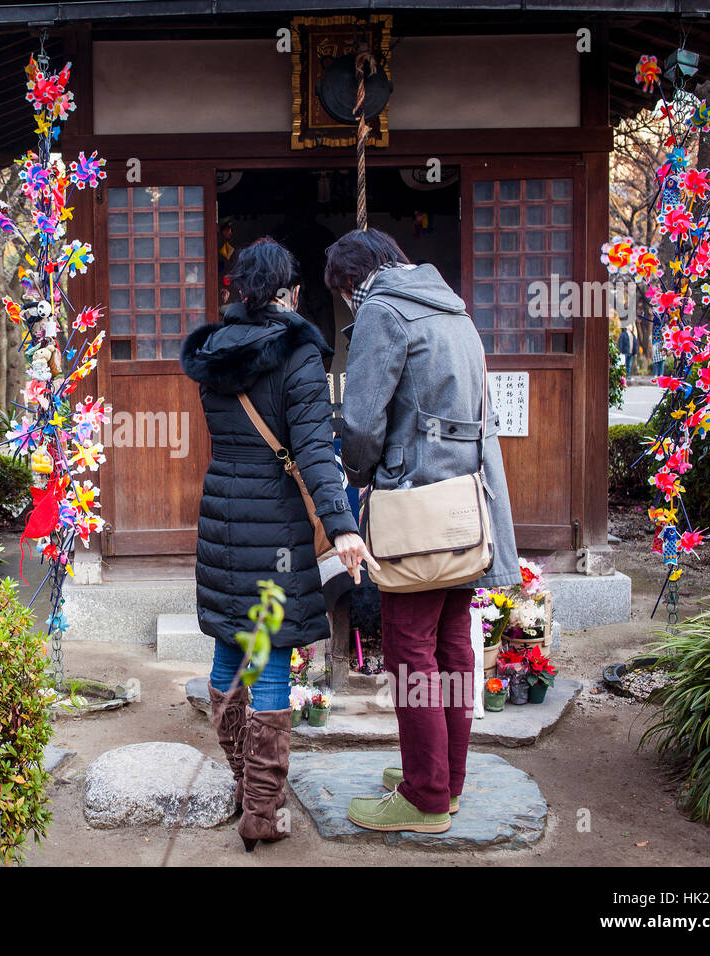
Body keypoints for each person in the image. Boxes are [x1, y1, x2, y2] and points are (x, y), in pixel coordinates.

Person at [181, 237, 377, 852]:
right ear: (289, 290)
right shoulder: (298, 353)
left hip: (221, 518)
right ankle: (262, 811)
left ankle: (246, 783)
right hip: (277, 525)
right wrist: (343, 525)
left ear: (238, 289)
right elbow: (318, 452)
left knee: (228, 649)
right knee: (267, 659)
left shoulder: (214, 352)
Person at [325, 228, 519, 834]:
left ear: (354, 282)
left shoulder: (382, 310)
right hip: (466, 502)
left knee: (410, 649)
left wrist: (358, 476)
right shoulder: (452, 306)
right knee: (453, 644)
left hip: (414, 510)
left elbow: (360, 423)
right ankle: (446, 780)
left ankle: (426, 794)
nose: (348, 302)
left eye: (343, 292)